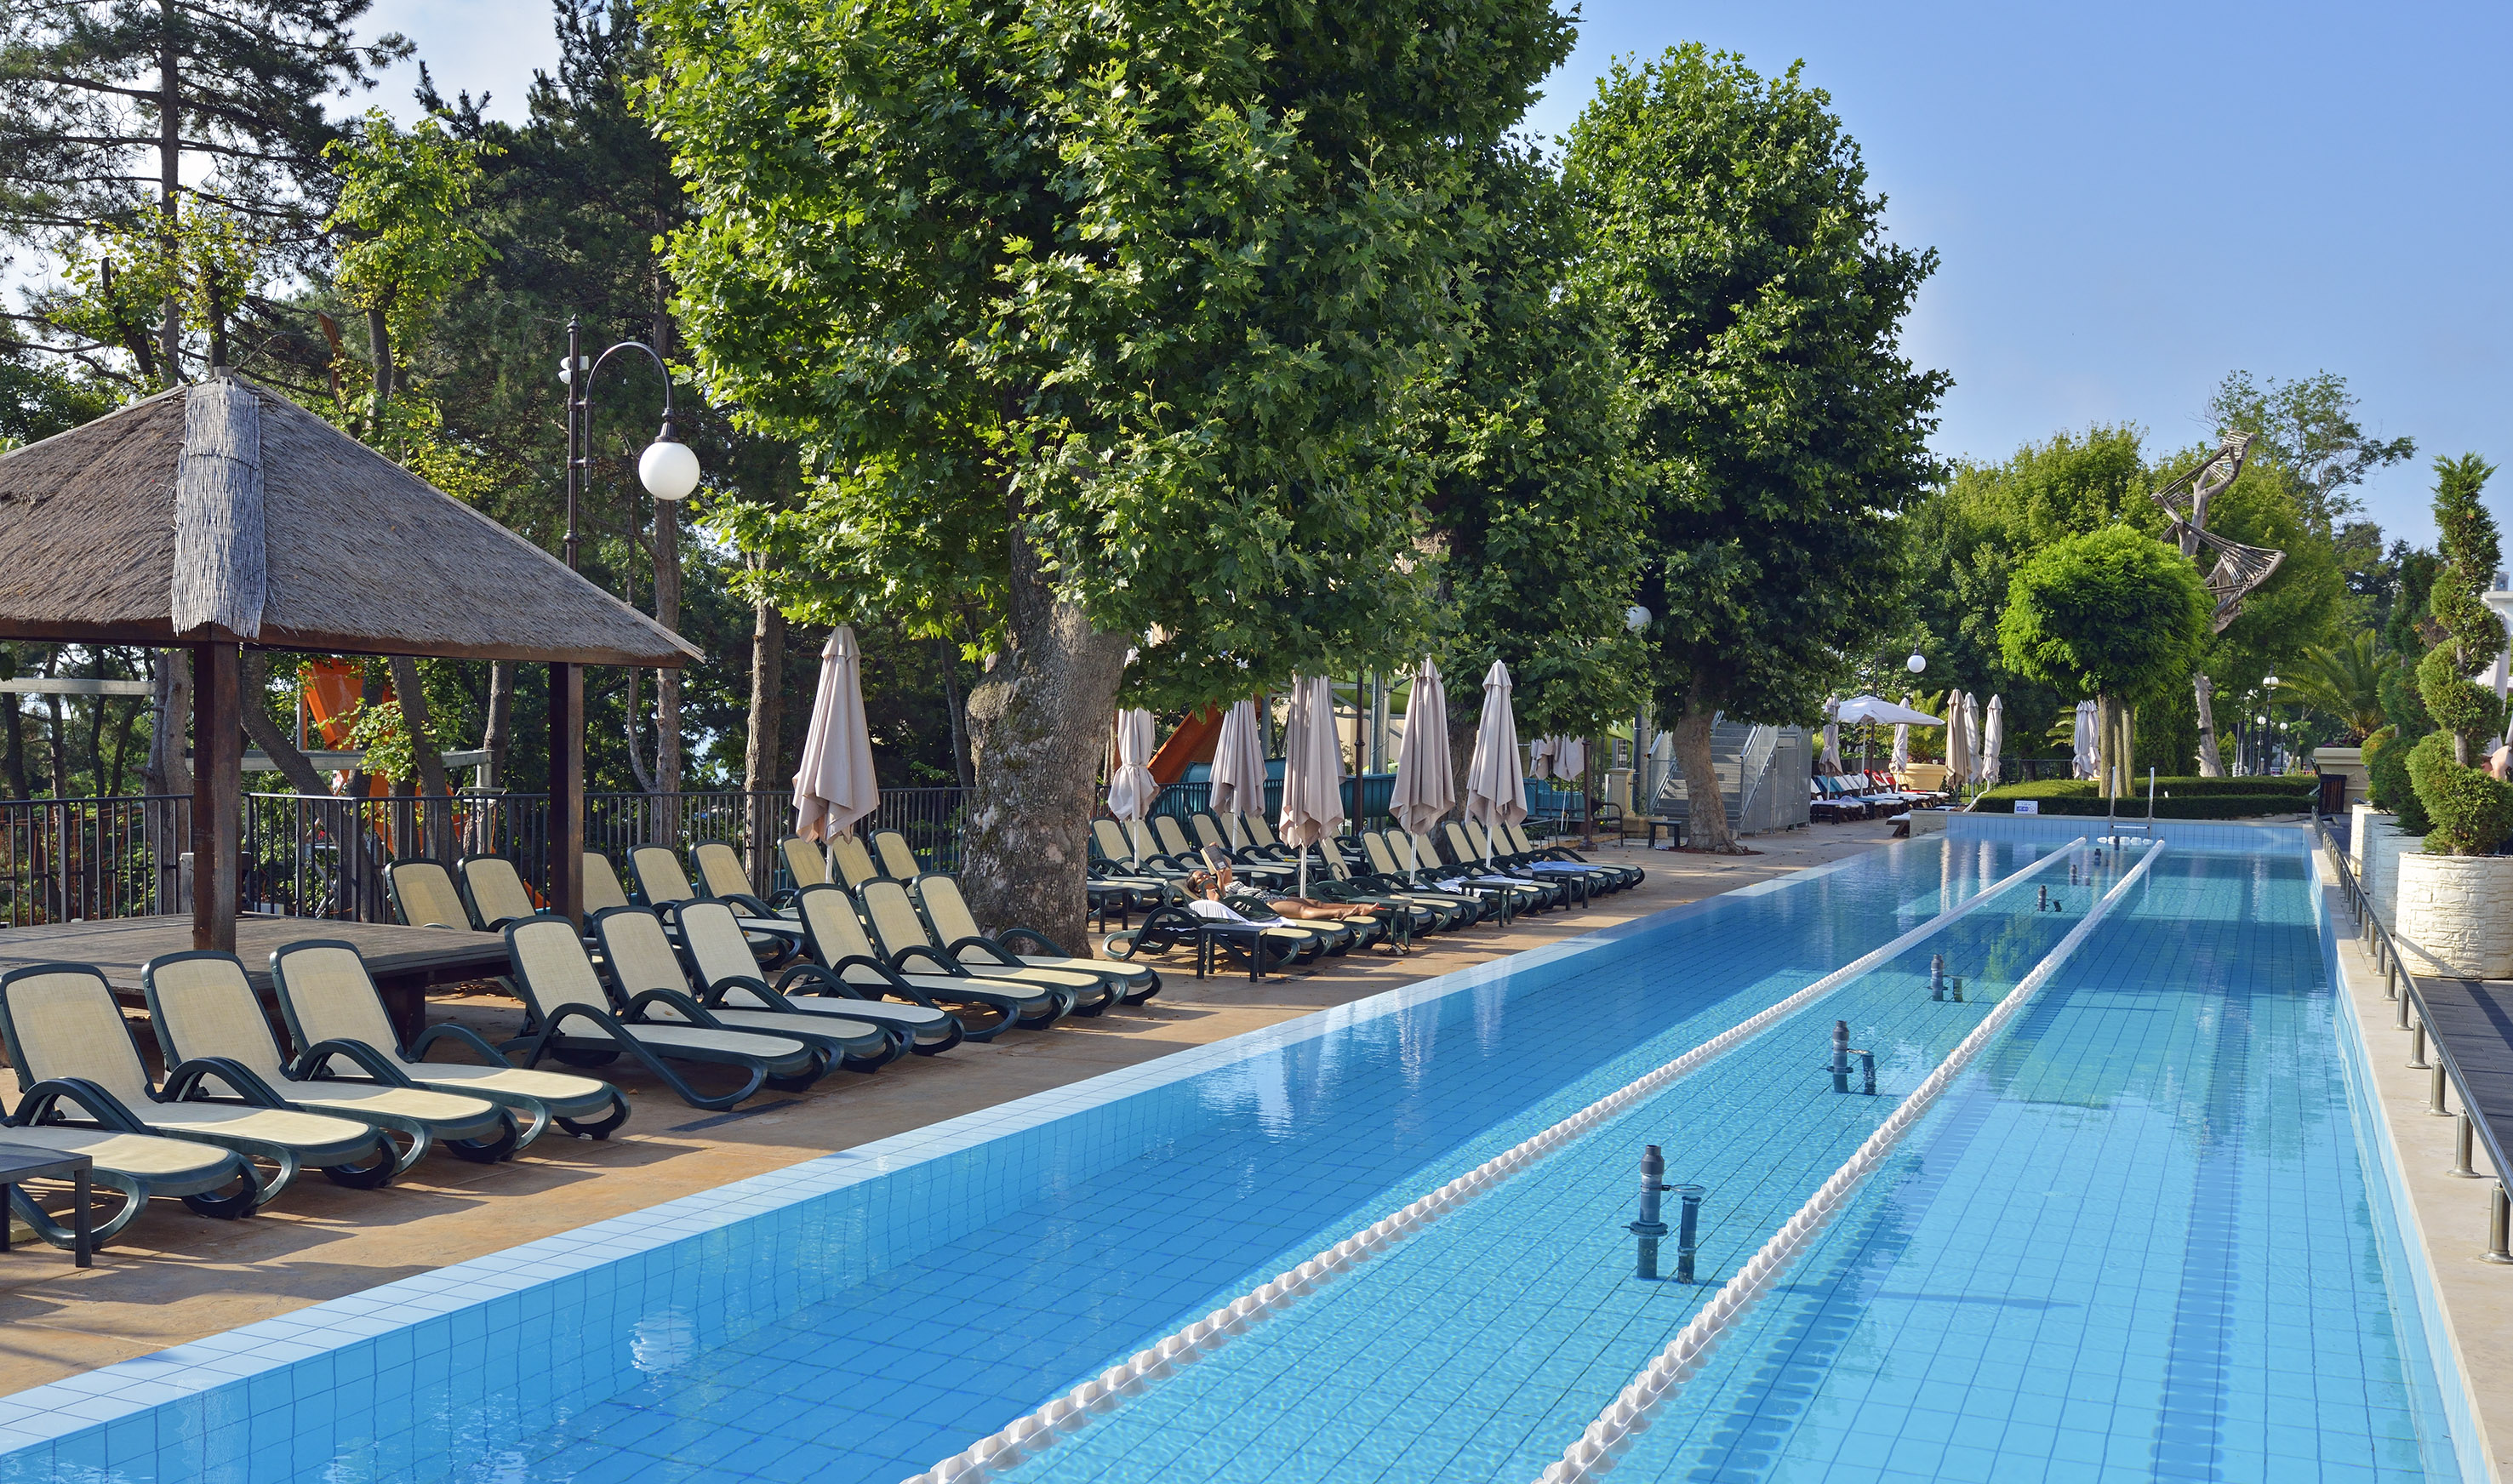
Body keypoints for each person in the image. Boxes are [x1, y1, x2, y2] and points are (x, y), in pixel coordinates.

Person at [1185, 859, 1380, 923]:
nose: (1205, 876)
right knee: (1302, 911)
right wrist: (1218, 880)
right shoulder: (1208, 893)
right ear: (1196, 888)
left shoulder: (1225, 883)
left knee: (1314, 902)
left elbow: (1226, 864)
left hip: (1268, 896)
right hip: (1261, 906)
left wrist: (1215, 854)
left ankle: (1356, 907)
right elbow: (1220, 906)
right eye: (1200, 877)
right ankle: (1343, 912)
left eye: (1204, 873)